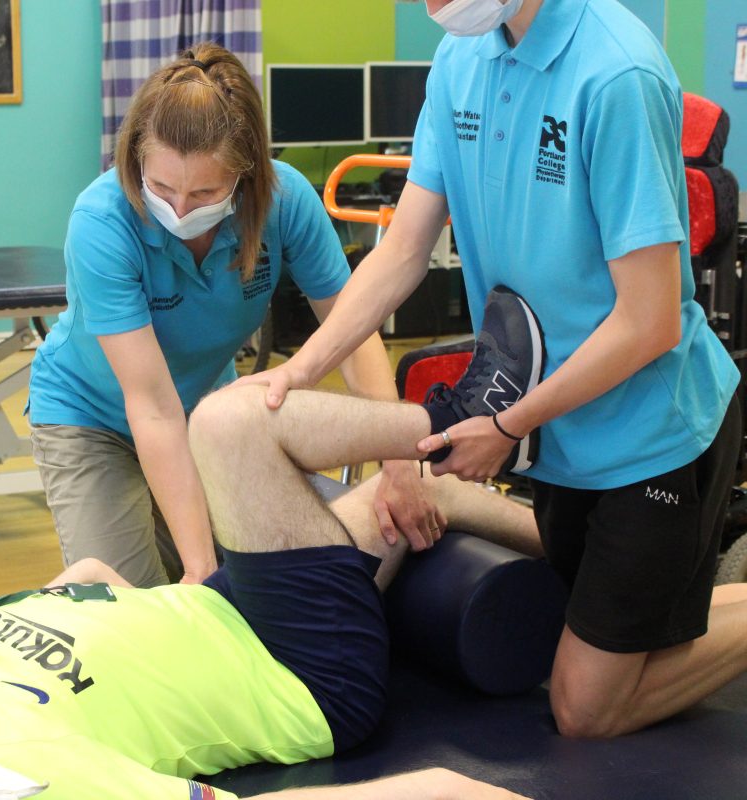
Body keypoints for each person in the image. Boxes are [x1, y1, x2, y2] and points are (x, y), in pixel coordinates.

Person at [0, 293, 546, 799]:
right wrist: (429, 792)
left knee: (421, 496)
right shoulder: (18, 769)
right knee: (226, 425)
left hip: (231, 608)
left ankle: (568, 531)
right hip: (303, 674)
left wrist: (104, 591)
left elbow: (84, 580)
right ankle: (464, 417)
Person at [237, 0, 747, 738]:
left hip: (652, 433)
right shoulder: (462, 60)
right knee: (625, 639)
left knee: (584, 708)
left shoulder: (617, 73)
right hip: (560, 435)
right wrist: (300, 370)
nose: (433, 5)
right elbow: (404, 248)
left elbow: (650, 321)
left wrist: (509, 425)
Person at [26, 42, 440, 590]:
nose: (180, 210)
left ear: (245, 176)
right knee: (138, 608)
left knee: (266, 569)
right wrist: (201, 568)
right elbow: (151, 408)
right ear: (137, 161)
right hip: (92, 418)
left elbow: (352, 333)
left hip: (203, 410)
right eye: (162, 187)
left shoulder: (284, 200)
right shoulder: (102, 223)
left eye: (205, 192)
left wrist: (399, 461)